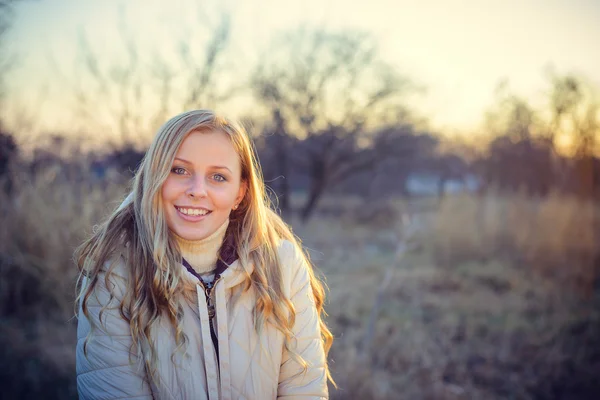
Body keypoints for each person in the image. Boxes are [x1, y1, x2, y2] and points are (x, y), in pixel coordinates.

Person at [75, 110, 334, 399]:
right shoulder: (115, 273)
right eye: (179, 170)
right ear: (154, 179)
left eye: (218, 177)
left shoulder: (282, 264)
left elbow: (305, 390)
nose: (197, 190)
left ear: (239, 193)